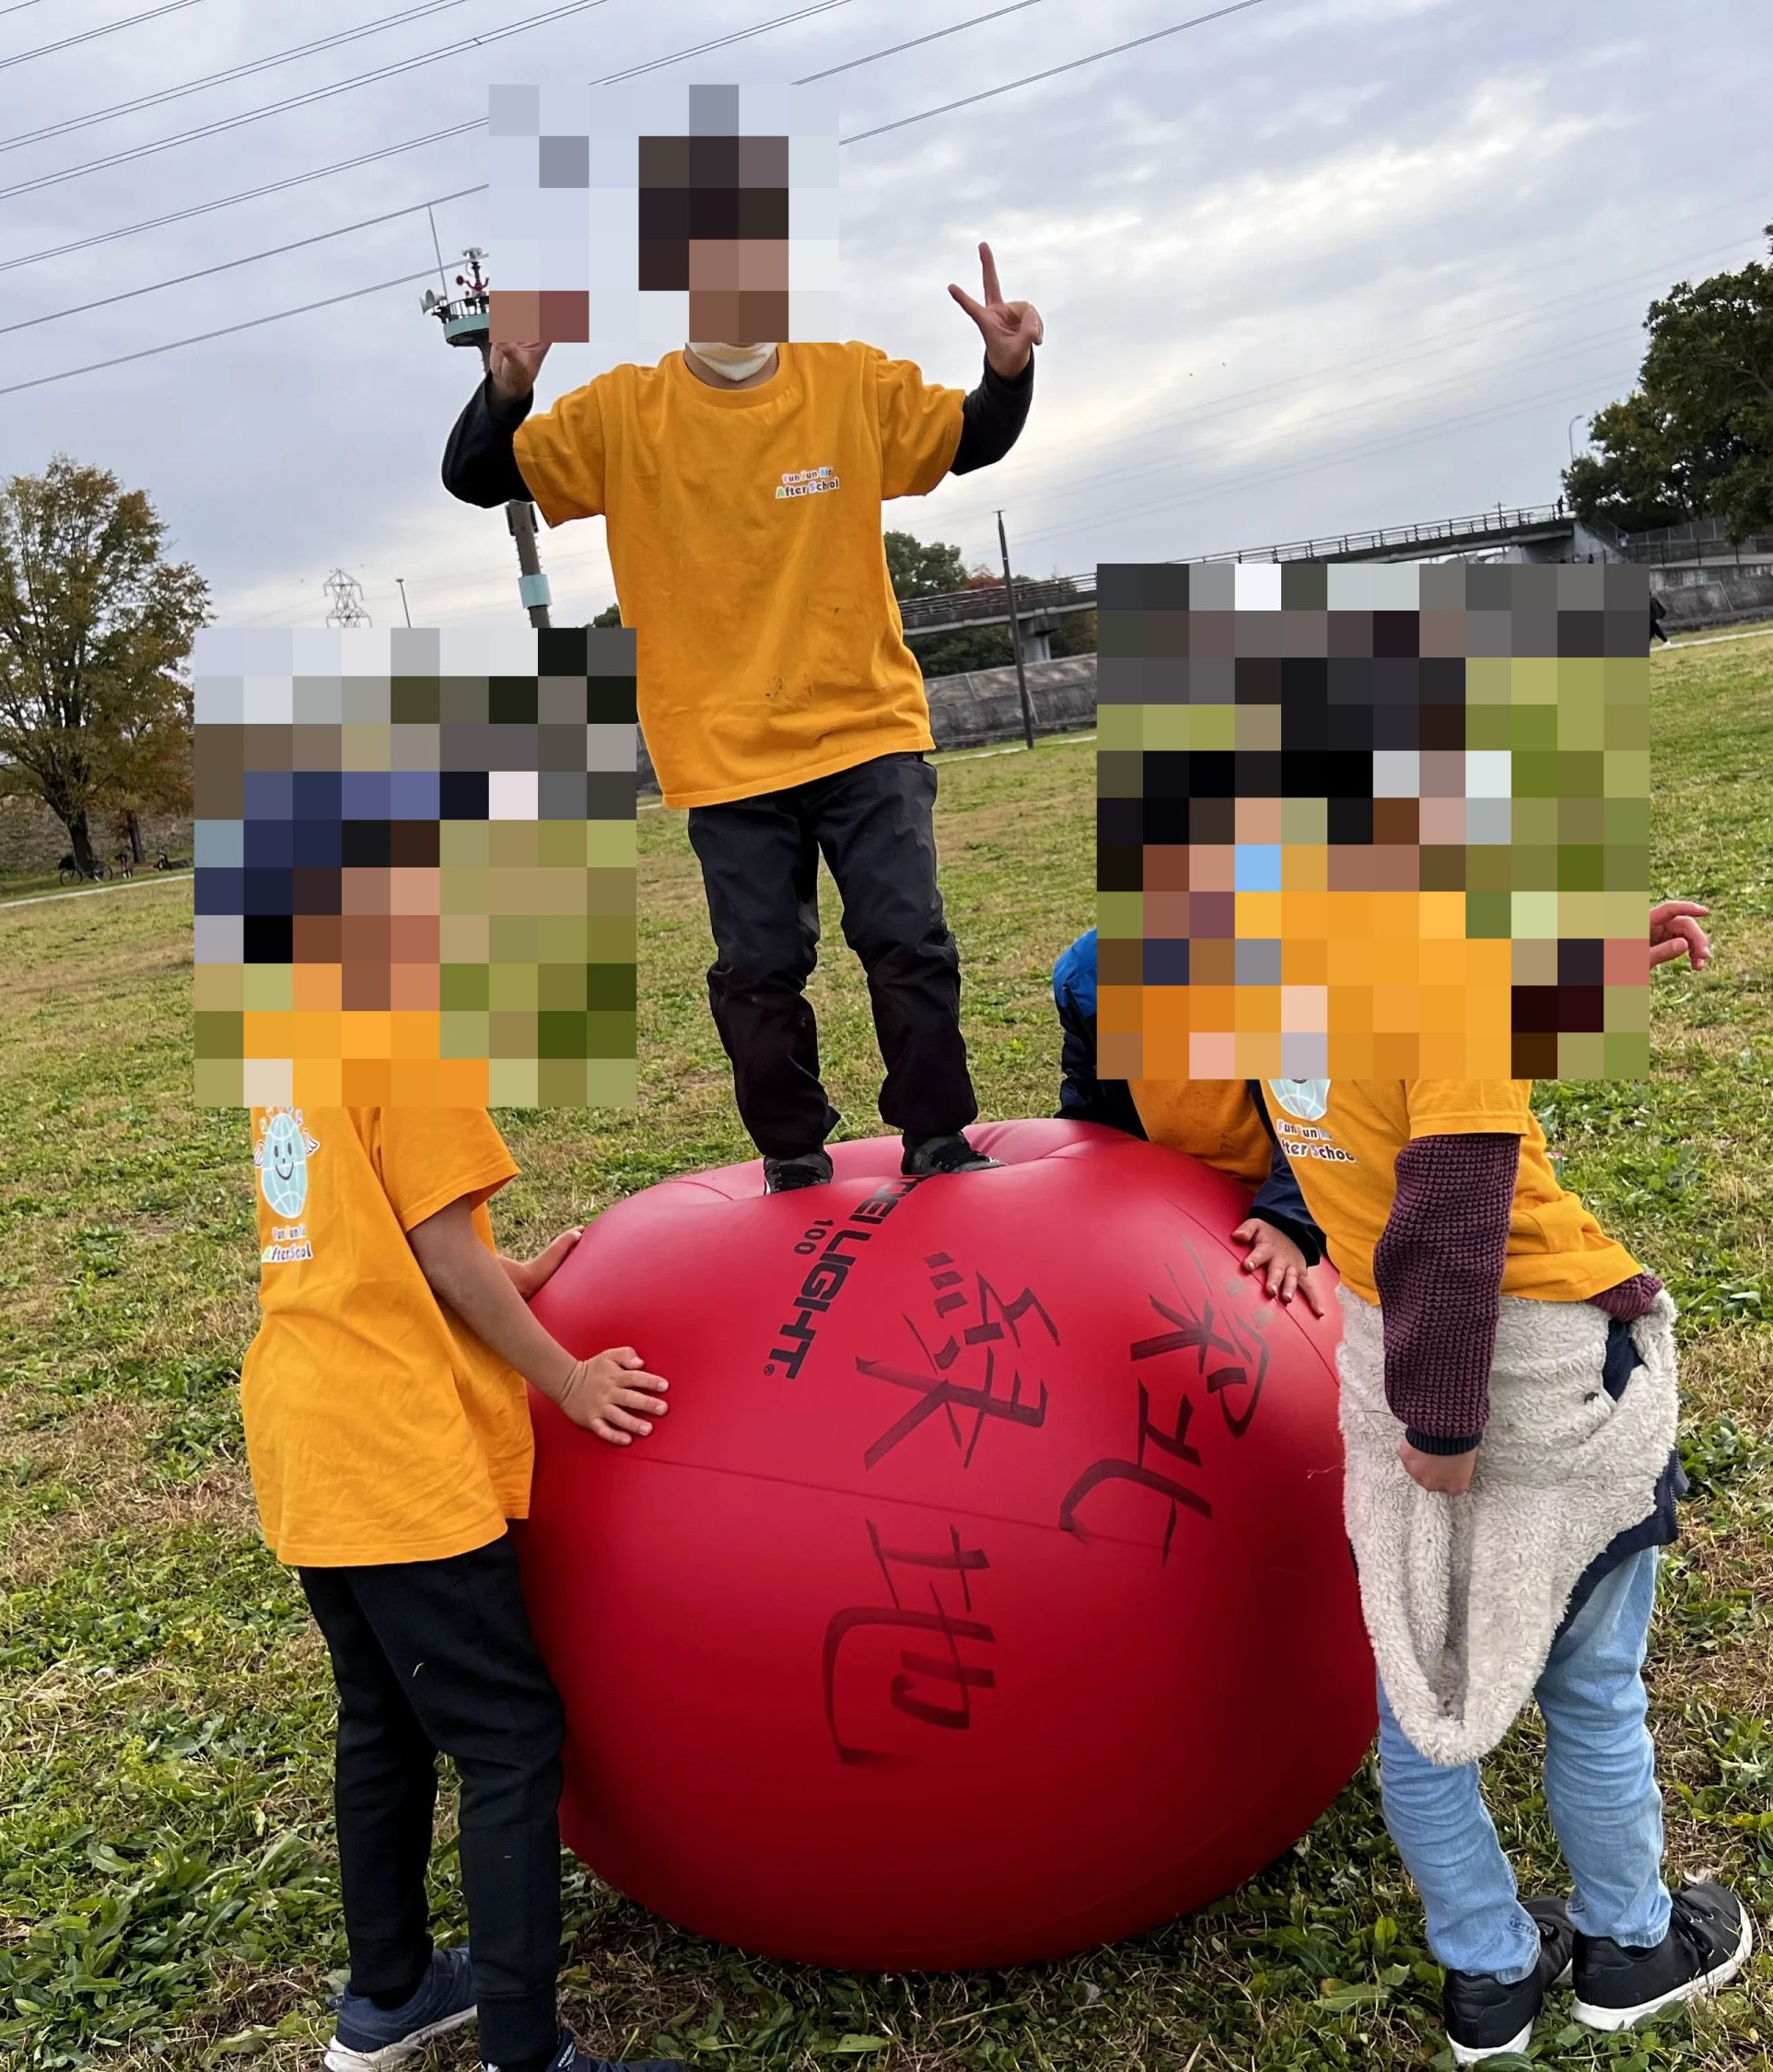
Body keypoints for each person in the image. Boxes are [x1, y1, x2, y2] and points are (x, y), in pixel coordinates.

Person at [445, 243, 1043, 1193]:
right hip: (722, 749)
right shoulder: (625, 411)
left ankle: (937, 1136)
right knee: (759, 966)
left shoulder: (848, 382)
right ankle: (793, 1154)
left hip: (865, 724)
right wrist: (507, 389)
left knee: (907, 937)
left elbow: (970, 438)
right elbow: (478, 477)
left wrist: (1007, 372)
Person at [1270, 900, 1749, 2066]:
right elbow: (1453, 1196)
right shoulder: (1441, 966)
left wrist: (1585, 969)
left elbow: (1402, 1065)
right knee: (1592, 1683)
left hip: (1381, 1353)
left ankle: (1488, 1974)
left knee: (1419, 1691)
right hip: (1523, 1375)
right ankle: (1632, 1948)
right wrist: (1448, 1421)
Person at [238, 1102, 683, 2072]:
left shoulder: (290, 1039)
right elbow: (438, 1251)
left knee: (383, 1716)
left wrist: (502, 1275)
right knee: (506, 1738)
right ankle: (524, 2054)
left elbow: (363, 1229)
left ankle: (391, 1992)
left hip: (306, 1422)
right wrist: (569, 1380)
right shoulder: (409, 1042)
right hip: (394, 1441)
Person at [1047, 925, 1325, 1312]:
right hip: (1176, 1205)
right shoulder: (1090, 981)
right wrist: (1071, 1171)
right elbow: (1090, 1102)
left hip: (1289, 1196)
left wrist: (1289, 1222)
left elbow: (1322, 1121)